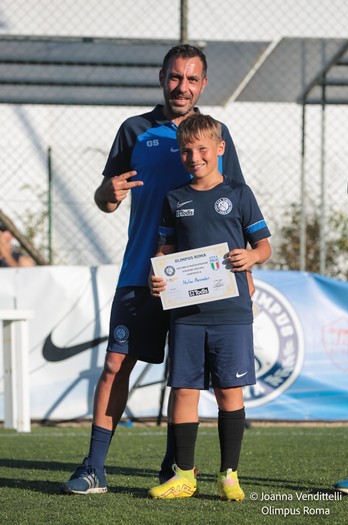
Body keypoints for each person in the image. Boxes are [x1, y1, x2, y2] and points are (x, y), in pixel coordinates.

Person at [60, 44, 248, 495]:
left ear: (203, 85)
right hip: (142, 273)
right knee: (115, 365)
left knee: (185, 378)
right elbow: (106, 200)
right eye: (175, 77)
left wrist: (247, 272)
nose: (182, 87)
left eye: (192, 79)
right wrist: (108, 191)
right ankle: (93, 467)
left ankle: (175, 467)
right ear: (162, 77)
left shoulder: (216, 134)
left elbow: (235, 204)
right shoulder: (134, 130)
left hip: (198, 280)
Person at [148, 114, 271, 500]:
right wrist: (159, 276)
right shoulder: (174, 198)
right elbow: (165, 251)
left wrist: (251, 258)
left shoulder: (239, 193)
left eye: (202, 148)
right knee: (183, 389)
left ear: (219, 149)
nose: (194, 156)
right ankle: (184, 475)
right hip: (186, 313)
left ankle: (228, 475)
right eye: (186, 150)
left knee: (229, 392)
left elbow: (264, 246)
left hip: (231, 312)